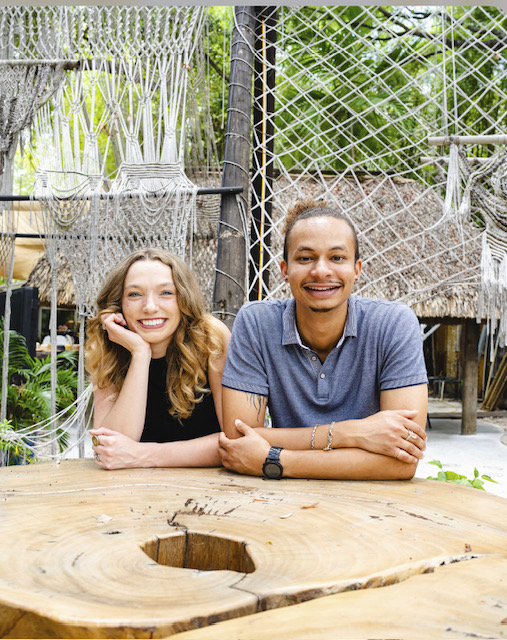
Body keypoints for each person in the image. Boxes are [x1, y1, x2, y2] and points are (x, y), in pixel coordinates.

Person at [219, 198, 428, 480]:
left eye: (337, 258)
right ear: (284, 270)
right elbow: (239, 441)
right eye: (305, 258)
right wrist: (352, 433)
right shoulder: (256, 323)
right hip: (281, 498)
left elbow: (403, 461)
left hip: (372, 499)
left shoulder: (393, 324)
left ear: (357, 269)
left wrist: (276, 461)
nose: (321, 271)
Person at [86, 248, 230, 470]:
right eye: (134, 294)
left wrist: (143, 455)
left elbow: (235, 441)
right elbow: (109, 449)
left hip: (209, 484)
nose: (150, 307)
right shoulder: (110, 347)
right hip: (132, 485)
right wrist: (140, 354)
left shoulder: (212, 338)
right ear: (119, 303)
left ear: (184, 298)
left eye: (166, 293)